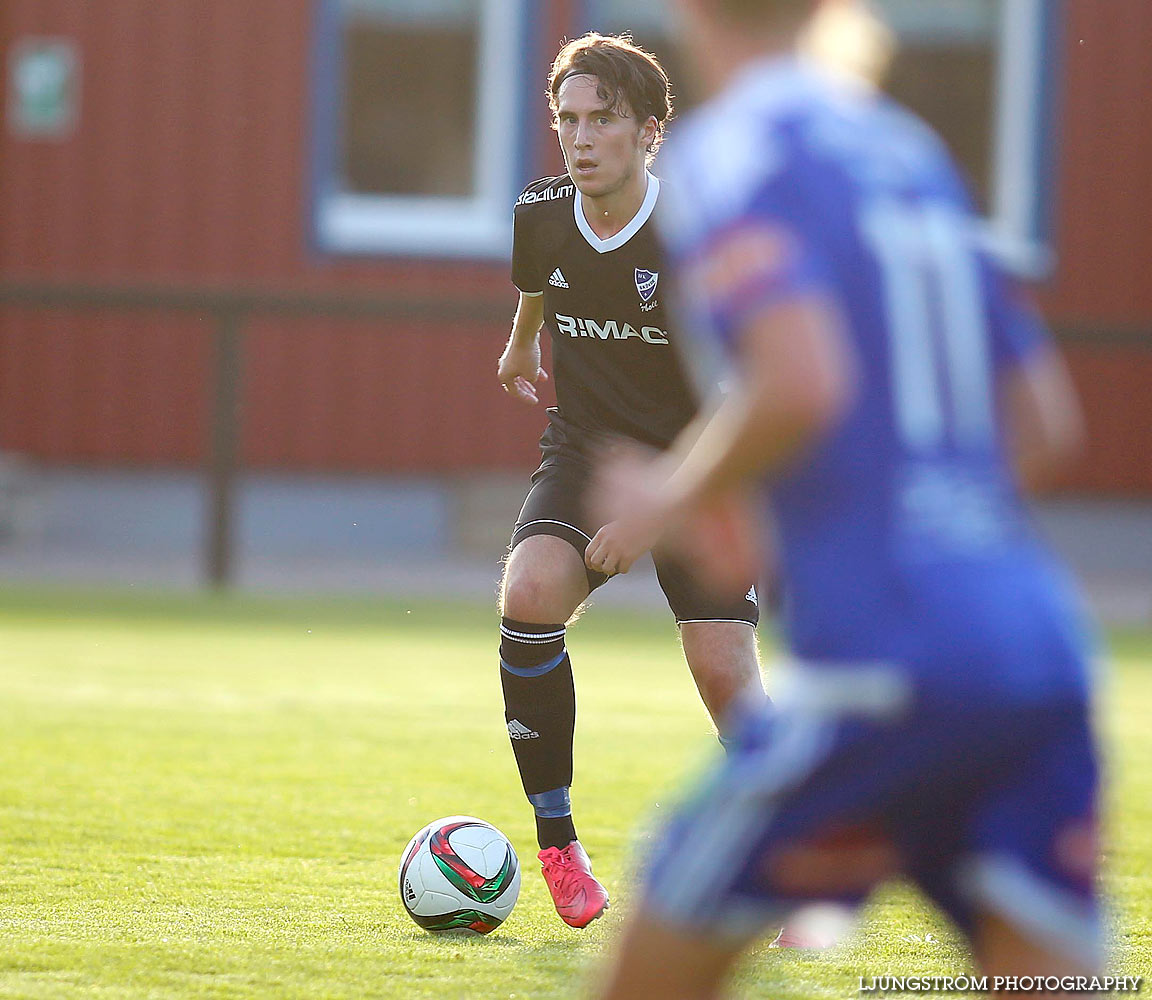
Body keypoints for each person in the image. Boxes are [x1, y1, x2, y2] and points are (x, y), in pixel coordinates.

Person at [593, 0, 1100, 996]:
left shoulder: (733, 149)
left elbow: (801, 381)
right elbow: (1045, 426)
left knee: (645, 969)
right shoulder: (904, 147)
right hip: (1035, 646)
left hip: (882, 666)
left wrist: (675, 490)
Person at [496, 32, 765, 930]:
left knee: (722, 671)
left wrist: (659, 514)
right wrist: (523, 340)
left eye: (602, 120)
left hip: (702, 460)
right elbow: (540, 276)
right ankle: (558, 845)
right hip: (585, 450)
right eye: (566, 120)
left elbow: (744, 394)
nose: (580, 139)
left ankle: (774, 852)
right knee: (530, 594)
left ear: (649, 132)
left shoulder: (694, 231)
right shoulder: (540, 209)